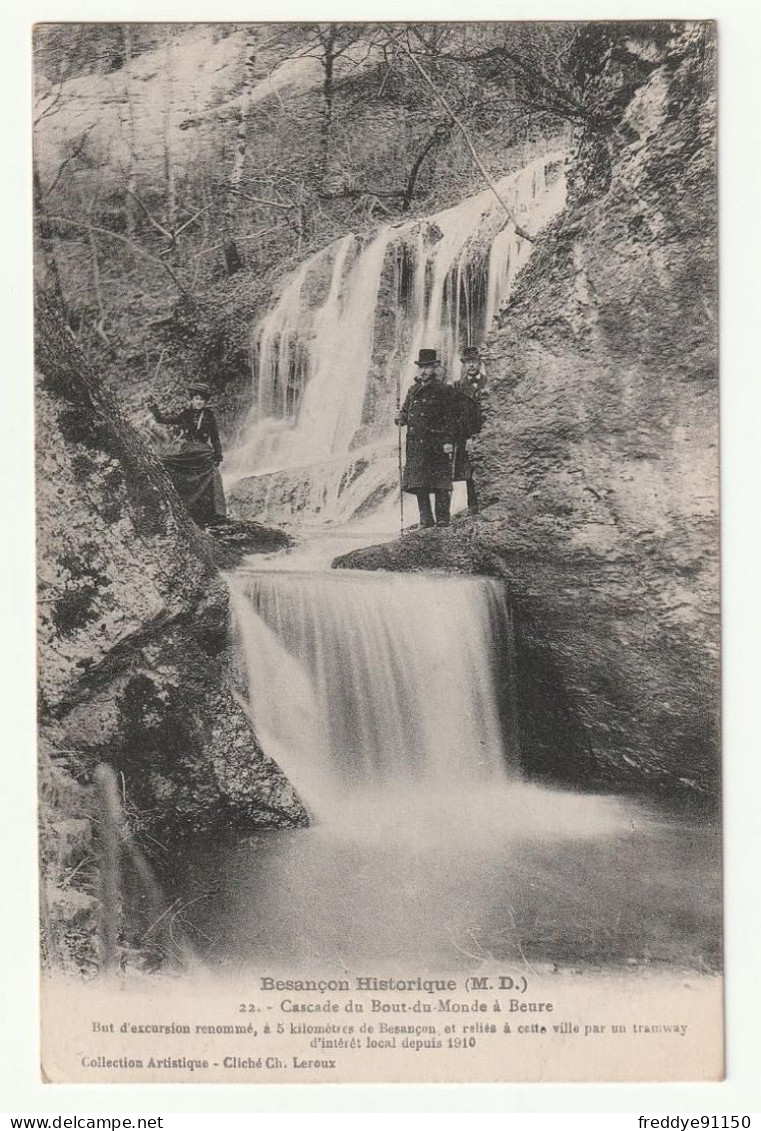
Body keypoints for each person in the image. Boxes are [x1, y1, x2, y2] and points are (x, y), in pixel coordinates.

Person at [147, 383, 227, 527]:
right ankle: (186, 510)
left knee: (213, 475)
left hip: (203, 451)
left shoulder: (209, 415)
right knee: (166, 463)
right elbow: (163, 420)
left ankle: (216, 514)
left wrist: (218, 454)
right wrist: (154, 408)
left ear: (205, 402)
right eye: (196, 399)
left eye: (202, 400)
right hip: (188, 451)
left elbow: (215, 437)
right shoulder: (185, 414)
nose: (199, 402)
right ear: (191, 400)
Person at [396, 348, 457, 528]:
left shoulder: (444, 390)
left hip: (436, 444)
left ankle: (443, 518)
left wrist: (448, 441)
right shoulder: (413, 390)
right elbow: (406, 413)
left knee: (441, 483)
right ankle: (425, 518)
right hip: (416, 445)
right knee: (419, 484)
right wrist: (400, 418)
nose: (423, 371)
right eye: (421, 367)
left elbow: (452, 418)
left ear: (435, 368)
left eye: (427, 367)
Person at [451, 345, 487, 515]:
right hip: (465, 435)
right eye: (467, 362)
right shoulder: (457, 387)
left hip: (486, 433)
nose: (471, 365)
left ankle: (486, 503)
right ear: (464, 365)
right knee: (469, 472)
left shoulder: (489, 383)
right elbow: (453, 413)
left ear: (480, 363)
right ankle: (473, 506)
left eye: (474, 361)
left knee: (487, 468)